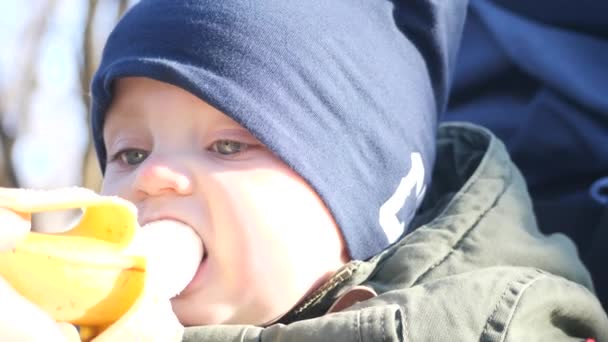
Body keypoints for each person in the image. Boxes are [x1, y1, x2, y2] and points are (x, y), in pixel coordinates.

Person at [1, 0, 607, 340]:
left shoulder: (492, 324)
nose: (153, 177)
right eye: (130, 153)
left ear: (370, 199)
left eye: (229, 145)